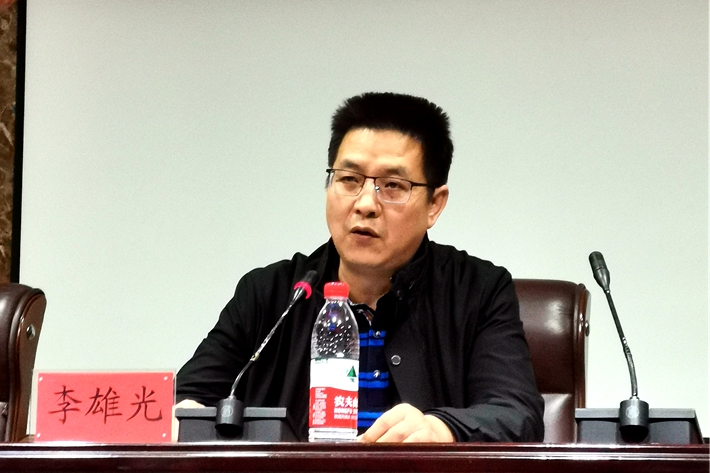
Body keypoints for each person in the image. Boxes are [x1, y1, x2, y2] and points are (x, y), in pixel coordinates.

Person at [175, 92, 544, 442]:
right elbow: (185, 400)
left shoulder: (478, 291)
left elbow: (516, 413)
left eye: (393, 185)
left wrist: (440, 429)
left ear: (435, 204)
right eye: (349, 179)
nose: (365, 204)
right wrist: (183, 417)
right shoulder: (270, 294)